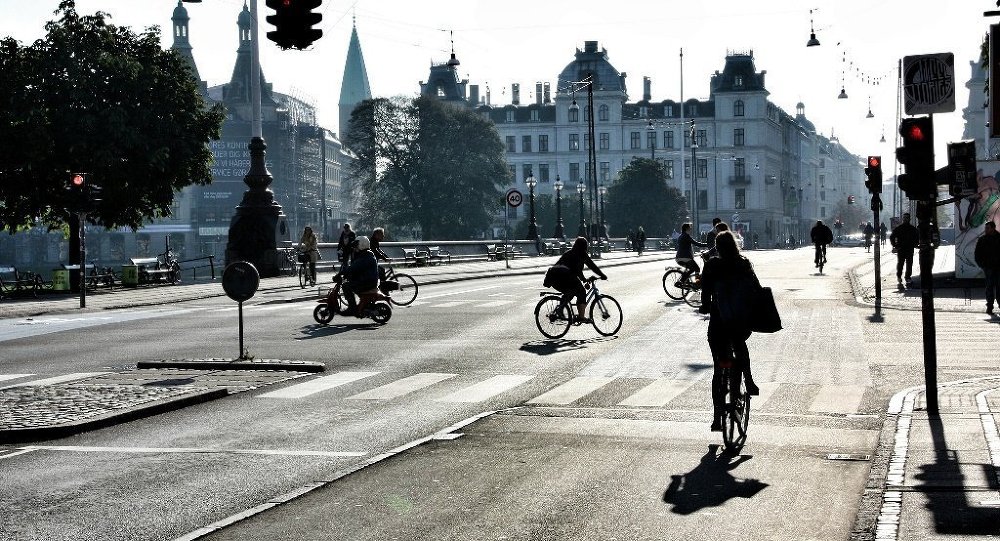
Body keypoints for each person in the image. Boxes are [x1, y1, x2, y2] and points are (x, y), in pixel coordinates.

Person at [699, 231, 761, 431]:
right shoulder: (743, 263)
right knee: (740, 346)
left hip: (718, 324)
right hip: (739, 322)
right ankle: (749, 381)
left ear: (717, 247)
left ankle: (717, 418)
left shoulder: (711, 266)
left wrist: (705, 307)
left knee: (719, 369)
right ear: (735, 245)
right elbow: (756, 289)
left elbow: (705, 294)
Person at [544, 237, 607, 323]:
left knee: (571, 292)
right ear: (584, 247)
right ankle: (581, 317)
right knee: (581, 292)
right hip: (561, 277)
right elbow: (580, 269)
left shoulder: (572, 253)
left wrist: (590, 277)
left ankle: (559, 310)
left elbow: (590, 266)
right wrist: (601, 276)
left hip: (556, 277)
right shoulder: (579, 254)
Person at [335, 235, 379, 317]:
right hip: (367, 280)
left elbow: (354, 267)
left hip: (367, 282)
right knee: (349, 283)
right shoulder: (366, 254)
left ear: (362, 245)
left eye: (356, 246)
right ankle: (357, 307)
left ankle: (352, 308)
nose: (355, 248)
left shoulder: (365, 256)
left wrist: (340, 273)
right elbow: (356, 268)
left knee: (346, 286)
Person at [975, 221, 1000, 315]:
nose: (986, 230)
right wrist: (983, 265)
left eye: (987, 228)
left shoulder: (998, 239)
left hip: (998, 268)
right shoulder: (982, 240)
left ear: (993, 228)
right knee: (989, 287)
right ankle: (989, 306)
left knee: (999, 287)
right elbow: (977, 254)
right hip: (988, 267)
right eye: (985, 228)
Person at [889, 213, 919, 287]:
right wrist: (895, 245)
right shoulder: (900, 228)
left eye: (907, 218)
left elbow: (917, 237)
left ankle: (907, 277)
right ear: (903, 219)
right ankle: (900, 276)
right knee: (901, 264)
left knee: (908, 264)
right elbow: (892, 237)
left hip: (908, 249)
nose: (906, 219)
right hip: (902, 249)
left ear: (909, 219)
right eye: (905, 218)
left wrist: (915, 244)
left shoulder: (912, 229)